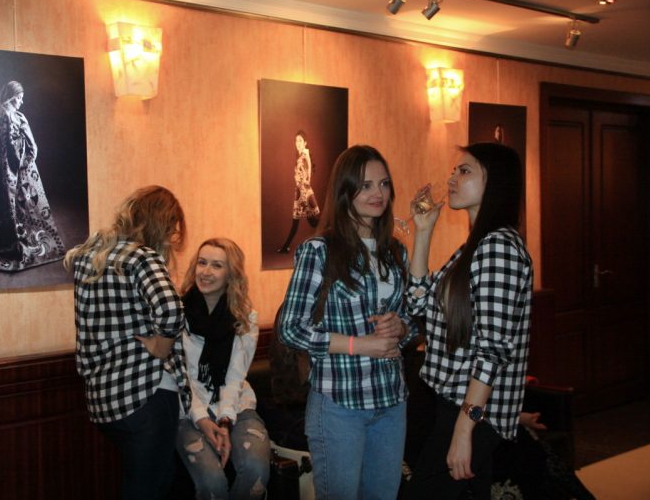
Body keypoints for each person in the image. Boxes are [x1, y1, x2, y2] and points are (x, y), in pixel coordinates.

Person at [279, 144, 416, 499]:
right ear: (345, 190)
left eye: (383, 184)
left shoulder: (396, 252)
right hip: (339, 403)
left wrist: (401, 328)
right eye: (365, 185)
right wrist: (359, 345)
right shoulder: (319, 251)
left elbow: (413, 320)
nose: (377, 193)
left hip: (391, 400)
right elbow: (290, 328)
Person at [405, 142, 533, 500]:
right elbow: (417, 303)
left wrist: (465, 428)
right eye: (454, 171)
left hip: (470, 412)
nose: (451, 179)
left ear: (495, 182)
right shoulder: (475, 247)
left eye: (465, 171)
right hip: (454, 406)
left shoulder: (498, 247)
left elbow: (493, 350)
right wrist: (424, 231)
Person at [63, 186, 189, 500]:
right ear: (161, 224)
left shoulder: (88, 256)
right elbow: (171, 310)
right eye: (171, 229)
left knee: (148, 482)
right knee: (151, 487)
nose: (172, 238)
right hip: (146, 393)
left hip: (103, 399)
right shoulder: (142, 257)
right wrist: (161, 345)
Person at [176, 238, 271, 499]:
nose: (206, 272)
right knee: (213, 483)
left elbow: (235, 376)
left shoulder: (245, 318)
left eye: (217, 265)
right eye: (202, 263)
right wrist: (202, 419)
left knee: (256, 470)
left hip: (235, 405)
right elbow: (181, 377)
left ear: (231, 274)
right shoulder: (176, 314)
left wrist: (225, 421)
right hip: (188, 409)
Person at [0, 80, 66, 271]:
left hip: (4, 167)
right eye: (19, 98)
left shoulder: (3, 113)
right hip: (15, 168)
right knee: (21, 201)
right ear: (12, 97)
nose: (21, 102)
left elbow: (0, 144)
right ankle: (17, 236)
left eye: (22, 98)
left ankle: (9, 231)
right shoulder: (9, 115)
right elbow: (12, 145)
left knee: (8, 200)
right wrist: (23, 163)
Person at [277, 131, 321, 253]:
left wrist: (304, 191)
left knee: (314, 222)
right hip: (300, 192)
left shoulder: (304, 155)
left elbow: (308, 176)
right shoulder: (301, 156)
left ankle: (332, 240)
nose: (298, 143)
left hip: (304, 192)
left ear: (305, 143)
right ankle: (285, 247)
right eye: (296, 141)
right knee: (298, 221)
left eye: (300, 140)